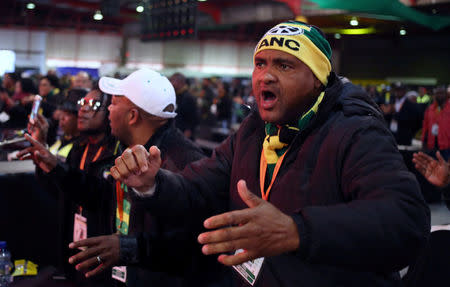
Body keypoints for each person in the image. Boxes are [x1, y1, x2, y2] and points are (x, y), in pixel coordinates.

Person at [109, 21, 430, 286]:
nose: (266, 75)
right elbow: (199, 189)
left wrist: (297, 230)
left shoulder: (355, 131)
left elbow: (406, 221)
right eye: (260, 64)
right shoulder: (252, 131)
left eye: (284, 65)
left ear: (317, 79)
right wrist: (152, 184)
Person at [22, 68, 207, 287]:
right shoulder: (133, 150)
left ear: (132, 116)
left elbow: (193, 246)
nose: (109, 108)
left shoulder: (183, 162)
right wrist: (55, 167)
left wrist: (130, 248)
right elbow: (103, 195)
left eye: (115, 102)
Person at [18, 88, 117, 287]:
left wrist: (57, 167)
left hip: (103, 251)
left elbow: (96, 196)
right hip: (74, 245)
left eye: (93, 105)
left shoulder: (116, 153)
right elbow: (59, 192)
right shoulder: (79, 148)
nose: (83, 110)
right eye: (82, 104)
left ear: (110, 112)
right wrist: (43, 160)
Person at [420, 86, 450, 160]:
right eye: (437, 93)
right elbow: (425, 126)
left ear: (446, 94)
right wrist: (423, 142)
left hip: (446, 147)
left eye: (441, 93)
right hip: (432, 146)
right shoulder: (430, 109)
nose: (439, 95)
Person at [169, 72, 199, 139]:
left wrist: (189, 130)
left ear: (181, 82)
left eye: (173, 80)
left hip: (184, 135)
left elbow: (194, 118)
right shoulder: (174, 95)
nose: (171, 83)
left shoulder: (188, 98)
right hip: (174, 132)